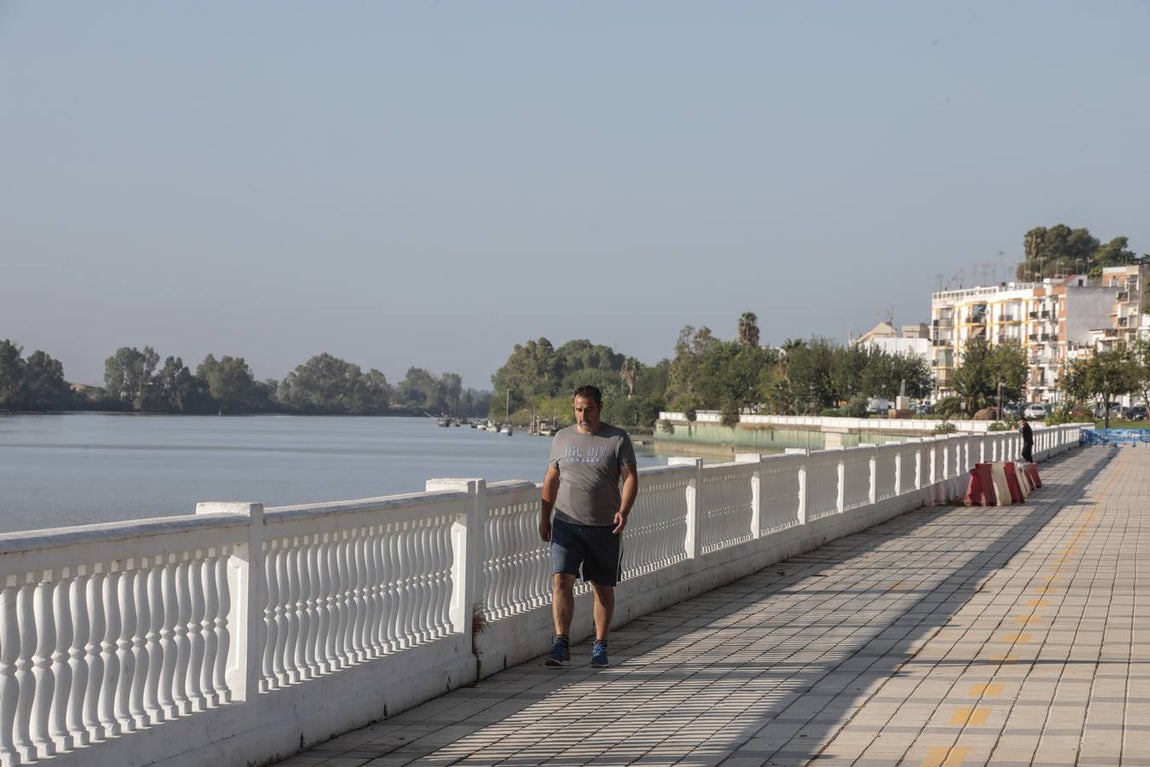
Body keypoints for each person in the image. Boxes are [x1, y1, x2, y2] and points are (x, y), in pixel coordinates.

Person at [539, 385, 638, 668]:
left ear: (600, 407)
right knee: (560, 580)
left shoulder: (617, 438)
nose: (583, 415)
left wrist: (624, 510)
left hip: (604, 526)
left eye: (589, 409)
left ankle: (600, 646)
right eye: (578, 409)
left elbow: (630, 477)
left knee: (602, 587)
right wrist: (544, 517)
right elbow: (551, 479)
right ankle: (561, 644)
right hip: (566, 524)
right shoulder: (562, 438)